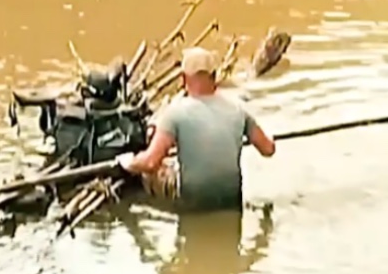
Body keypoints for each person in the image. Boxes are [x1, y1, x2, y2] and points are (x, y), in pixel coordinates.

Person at [115, 46, 275, 212]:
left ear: (184, 79)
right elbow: (268, 149)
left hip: (193, 203)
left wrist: (129, 162)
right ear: (214, 77)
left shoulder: (175, 113)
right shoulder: (238, 111)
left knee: (150, 171)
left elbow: (150, 162)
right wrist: (270, 138)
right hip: (231, 200)